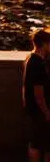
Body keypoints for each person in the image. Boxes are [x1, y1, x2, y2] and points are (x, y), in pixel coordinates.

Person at [25, 28, 50, 162]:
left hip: (33, 109)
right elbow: (38, 93)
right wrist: (46, 112)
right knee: (42, 144)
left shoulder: (30, 59)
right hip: (40, 110)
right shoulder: (38, 64)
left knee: (37, 141)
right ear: (45, 44)